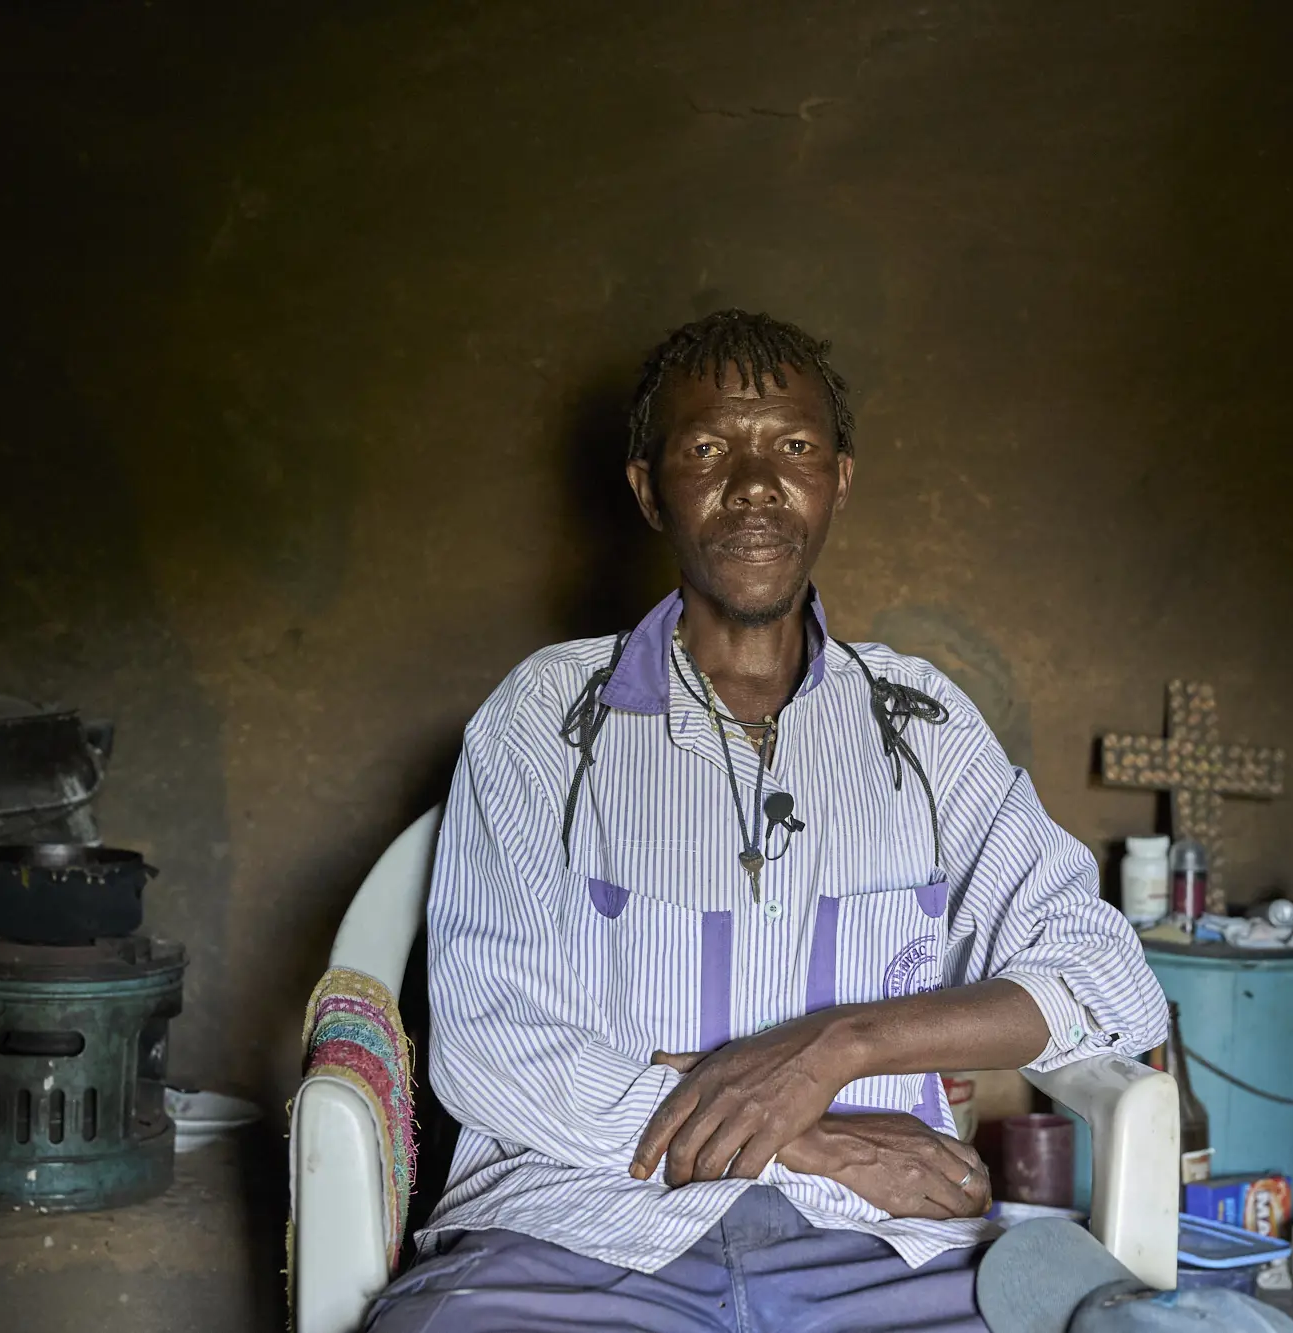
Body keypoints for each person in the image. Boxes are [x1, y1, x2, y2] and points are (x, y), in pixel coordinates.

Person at [368, 310, 1168, 1333]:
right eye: (708, 449)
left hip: (884, 1245)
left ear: (838, 477)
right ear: (648, 488)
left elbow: (1108, 981)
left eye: (790, 447)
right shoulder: (541, 722)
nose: (754, 485)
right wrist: (805, 1129)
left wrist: (831, 1047)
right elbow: (492, 1046)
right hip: (579, 1233)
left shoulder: (919, 727)